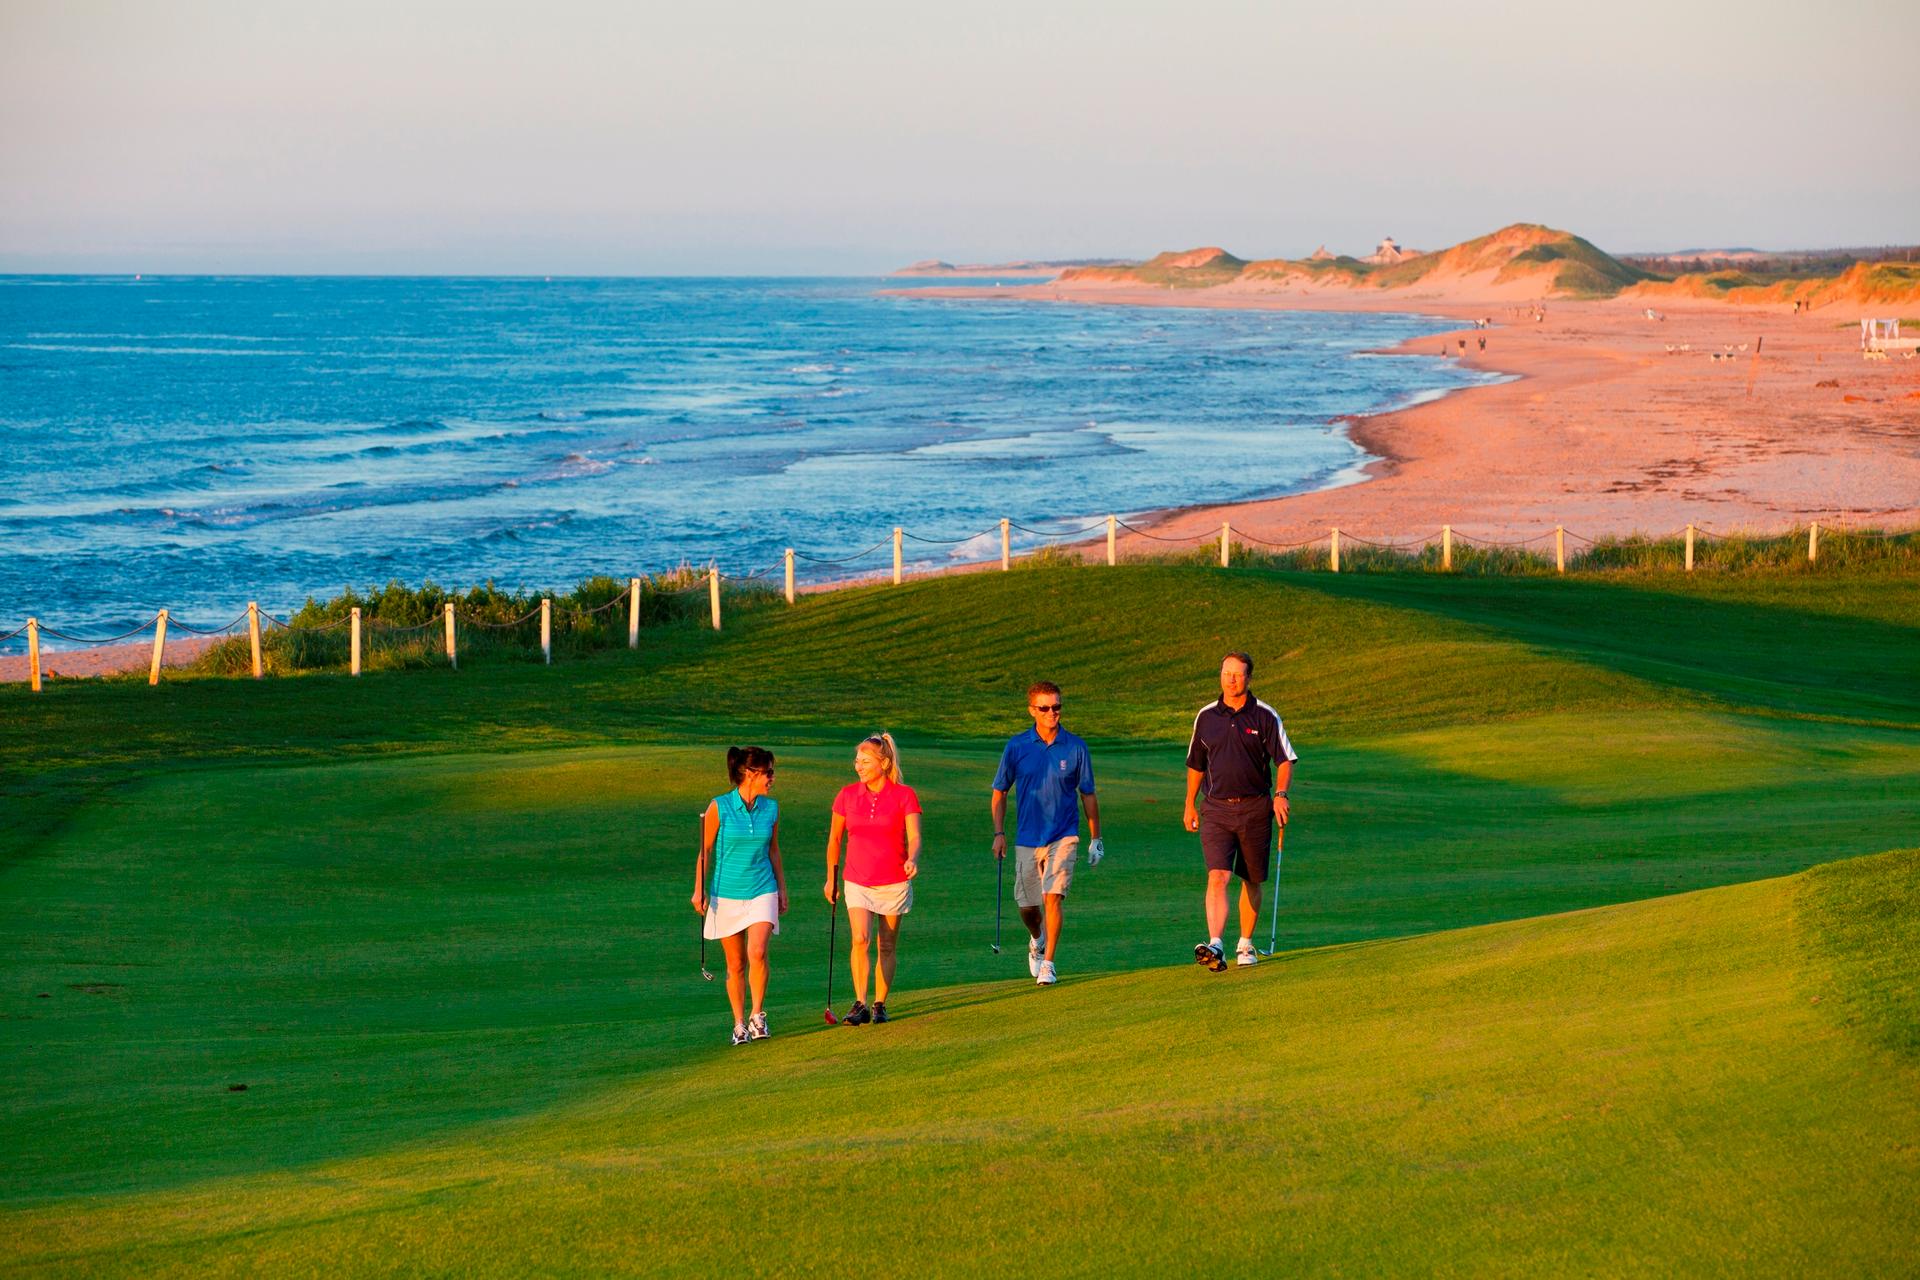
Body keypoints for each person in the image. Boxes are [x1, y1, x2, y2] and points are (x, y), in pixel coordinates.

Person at [1183, 652, 1297, 972]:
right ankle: (1216, 944)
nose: (1231, 679)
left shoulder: (1265, 716)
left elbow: (1284, 760)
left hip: (1255, 808)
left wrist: (1280, 794)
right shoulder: (1206, 716)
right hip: (1216, 809)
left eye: (1237, 674)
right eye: (1226, 673)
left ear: (1249, 678)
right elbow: (1196, 764)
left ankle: (1245, 943)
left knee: (1251, 879)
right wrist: (1189, 803)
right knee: (1217, 875)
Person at [991, 680, 1103, 986]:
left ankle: (1049, 964)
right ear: (1032, 710)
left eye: (1057, 707)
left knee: (1052, 897)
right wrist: (999, 832)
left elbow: (1088, 794)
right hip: (1027, 837)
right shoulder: (1017, 746)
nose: (1052, 712)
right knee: (1028, 907)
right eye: (1045, 708)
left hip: (1064, 834)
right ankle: (1037, 939)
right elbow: (1000, 792)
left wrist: (1096, 839)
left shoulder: (1076, 747)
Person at [824, 733, 922, 1026]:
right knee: (860, 938)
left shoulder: (904, 795)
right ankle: (860, 1003)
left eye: (866, 761)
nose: (859, 766)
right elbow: (834, 839)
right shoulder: (846, 795)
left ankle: (880, 1004)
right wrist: (831, 878)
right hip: (857, 879)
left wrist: (913, 858)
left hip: (894, 880)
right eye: (857, 760)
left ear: (884, 763)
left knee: (886, 945)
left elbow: (915, 836)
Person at [692, 746, 787, 1045]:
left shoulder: (771, 808)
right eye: (768, 772)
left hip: (762, 889)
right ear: (750, 773)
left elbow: (774, 851)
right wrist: (699, 888)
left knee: (757, 951)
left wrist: (782, 888)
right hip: (727, 895)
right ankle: (738, 1023)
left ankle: (757, 1016)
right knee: (735, 965)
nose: (772, 778)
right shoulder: (719, 806)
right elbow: (705, 851)